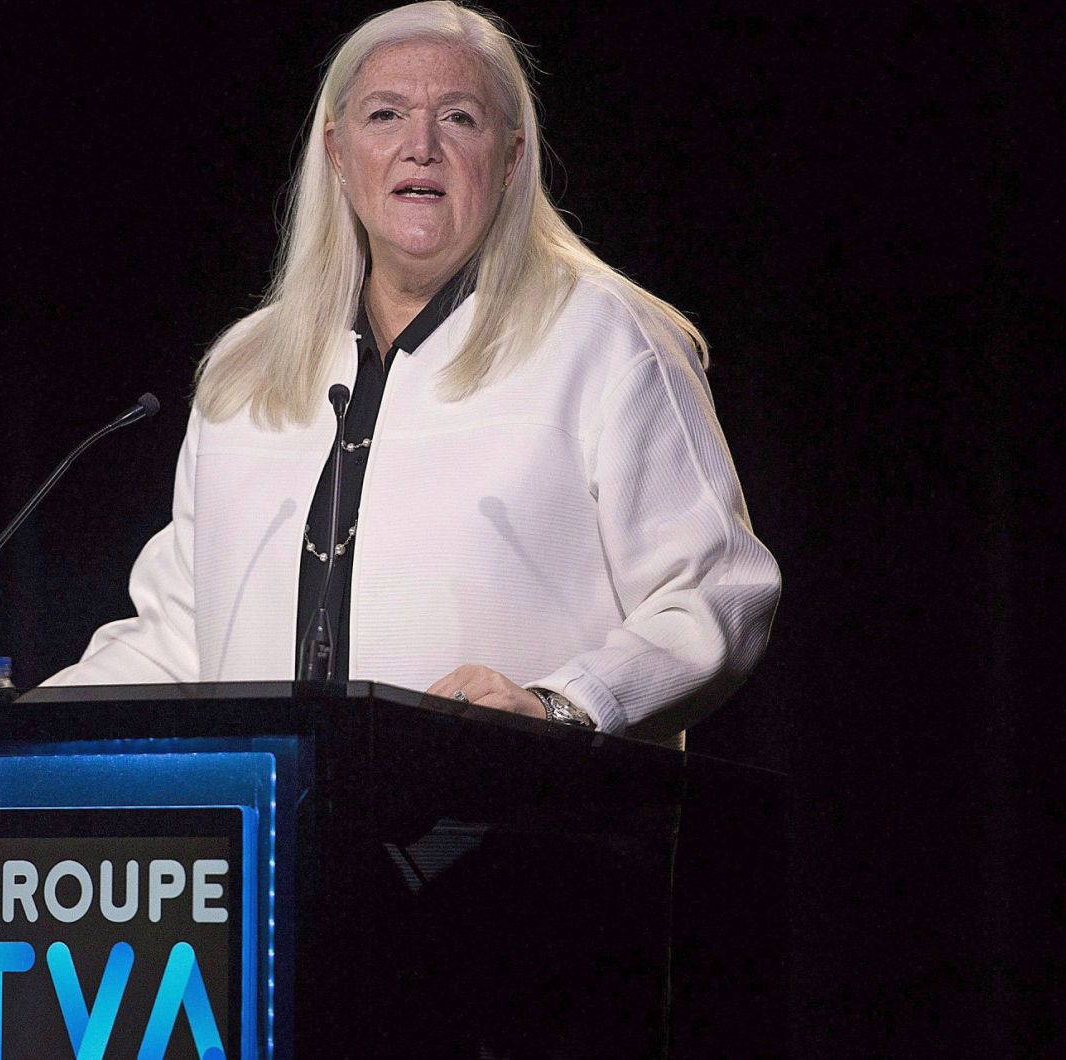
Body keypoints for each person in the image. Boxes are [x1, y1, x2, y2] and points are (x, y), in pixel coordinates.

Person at [42, 0, 780, 748]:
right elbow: (179, 640)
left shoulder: (606, 338)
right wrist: (12, 731)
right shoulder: (248, 369)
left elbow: (716, 592)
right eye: (385, 115)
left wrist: (562, 705)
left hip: (520, 809)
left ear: (511, 158)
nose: (420, 147)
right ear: (337, 153)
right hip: (279, 813)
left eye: (459, 117)